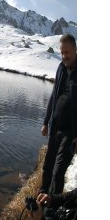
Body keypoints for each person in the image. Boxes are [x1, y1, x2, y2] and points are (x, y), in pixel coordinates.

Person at [39, 34, 77, 195]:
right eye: (61, 52)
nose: (64, 56)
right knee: (47, 166)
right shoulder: (61, 67)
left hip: (70, 132)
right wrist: (46, 121)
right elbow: (54, 96)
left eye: (67, 52)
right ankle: (41, 195)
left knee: (58, 172)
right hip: (55, 127)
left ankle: (52, 206)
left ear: (75, 50)